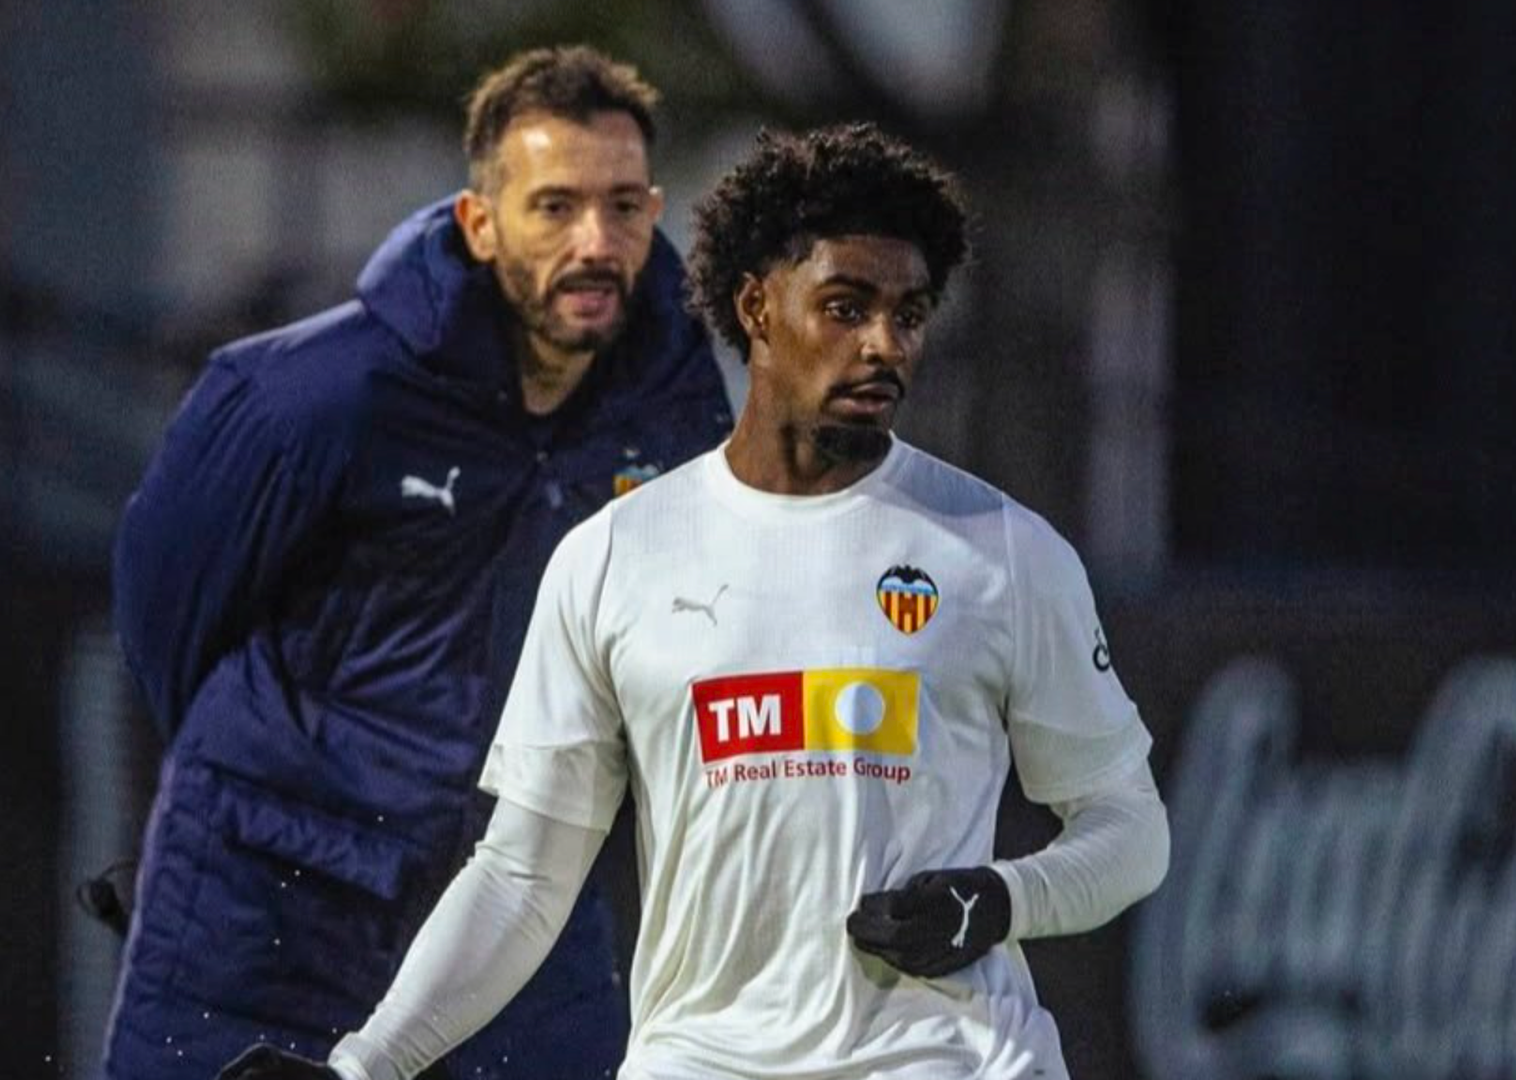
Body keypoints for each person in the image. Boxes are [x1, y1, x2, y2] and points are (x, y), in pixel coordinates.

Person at [217, 122, 1168, 1080]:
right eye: (846, 307)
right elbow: (522, 880)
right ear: (757, 307)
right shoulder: (614, 559)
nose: (885, 346)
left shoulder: (1002, 550)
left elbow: (1131, 831)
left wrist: (999, 900)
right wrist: (360, 1069)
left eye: (909, 314)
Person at [102, 45, 733, 1080]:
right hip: (270, 903)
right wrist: (244, 796)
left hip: (525, 903)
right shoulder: (312, 393)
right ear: (478, 223)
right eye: (555, 207)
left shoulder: (676, 408)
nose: (596, 242)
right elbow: (166, 607)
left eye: (624, 208)